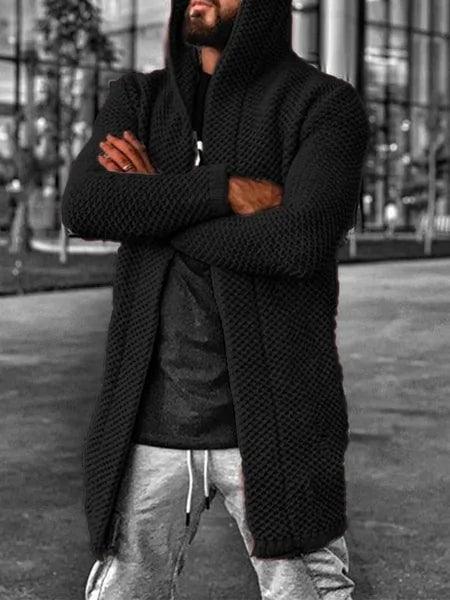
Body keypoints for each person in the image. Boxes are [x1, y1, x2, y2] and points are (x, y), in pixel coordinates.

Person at [61, 0, 371, 598]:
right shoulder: (140, 100)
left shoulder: (321, 105)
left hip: (274, 424)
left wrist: (154, 202)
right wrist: (220, 191)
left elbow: (298, 242)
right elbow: (85, 206)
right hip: (148, 423)